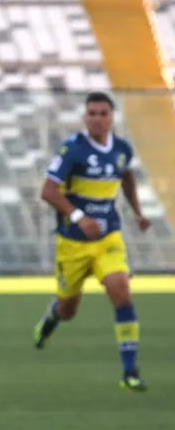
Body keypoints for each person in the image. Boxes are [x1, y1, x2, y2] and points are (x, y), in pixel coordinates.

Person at [33, 92, 151, 391]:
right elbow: (48, 191)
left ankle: (129, 372)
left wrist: (137, 212)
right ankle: (52, 318)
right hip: (72, 243)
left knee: (121, 290)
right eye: (92, 113)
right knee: (68, 309)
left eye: (103, 113)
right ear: (85, 117)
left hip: (108, 236)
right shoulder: (73, 149)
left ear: (112, 118)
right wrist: (78, 217)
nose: (97, 118)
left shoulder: (122, 149)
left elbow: (126, 177)